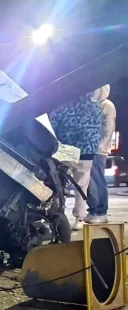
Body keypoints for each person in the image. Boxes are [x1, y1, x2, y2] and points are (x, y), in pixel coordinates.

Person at [49, 93, 103, 231]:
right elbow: (99, 129)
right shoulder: (95, 105)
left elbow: (52, 125)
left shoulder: (63, 103)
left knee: (58, 183)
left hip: (65, 149)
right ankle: (79, 219)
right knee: (82, 186)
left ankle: (57, 215)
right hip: (86, 151)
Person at [87, 85, 116, 224]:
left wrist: (99, 147)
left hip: (98, 150)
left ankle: (101, 211)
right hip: (92, 148)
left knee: (97, 180)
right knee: (91, 181)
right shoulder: (95, 104)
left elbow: (107, 128)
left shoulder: (106, 105)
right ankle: (94, 210)